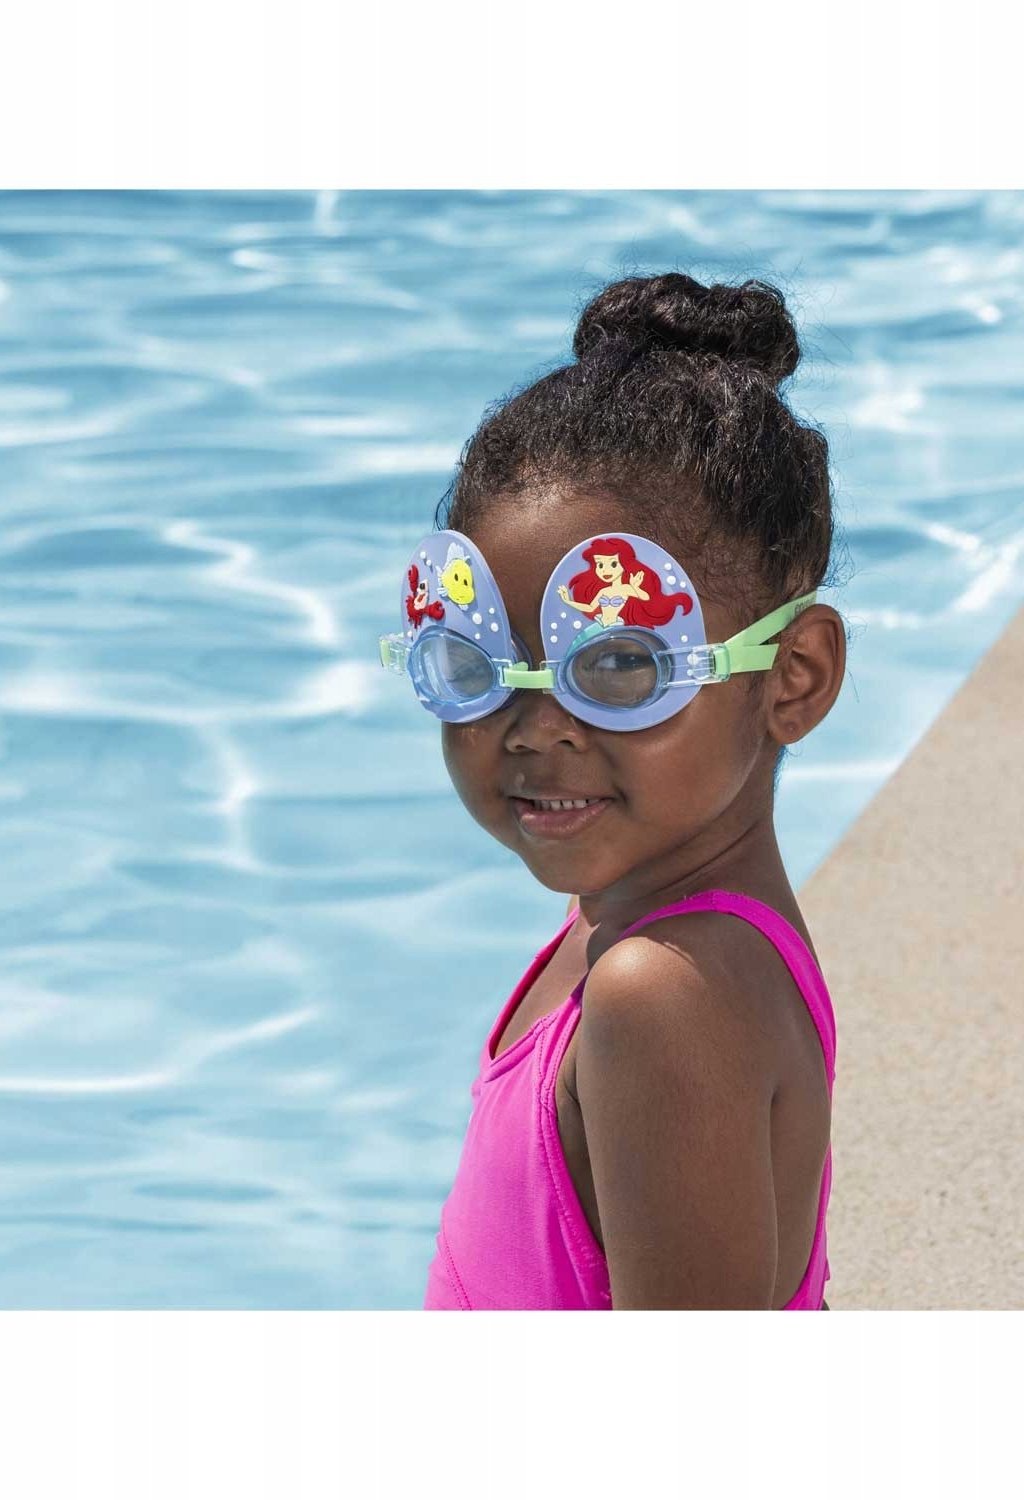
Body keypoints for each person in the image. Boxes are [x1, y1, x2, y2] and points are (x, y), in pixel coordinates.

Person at [381, 272, 847, 1309]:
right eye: (473, 664)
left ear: (793, 677)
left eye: (620, 665)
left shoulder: (661, 996)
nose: (534, 727)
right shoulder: (621, 927)